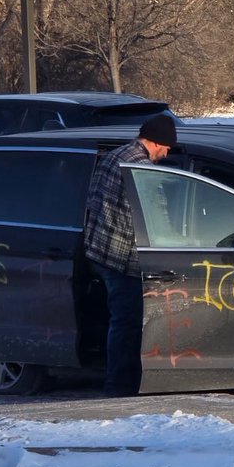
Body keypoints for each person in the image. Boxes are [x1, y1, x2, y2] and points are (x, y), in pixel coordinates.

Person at [83, 113, 177, 395]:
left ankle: (116, 379)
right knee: (127, 323)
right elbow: (157, 218)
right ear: (156, 142)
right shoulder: (142, 170)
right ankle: (120, 385)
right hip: (123, 259)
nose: (167, 152)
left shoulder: (114, 156)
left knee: (118, 319)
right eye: (167, 147)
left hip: (98, 250)